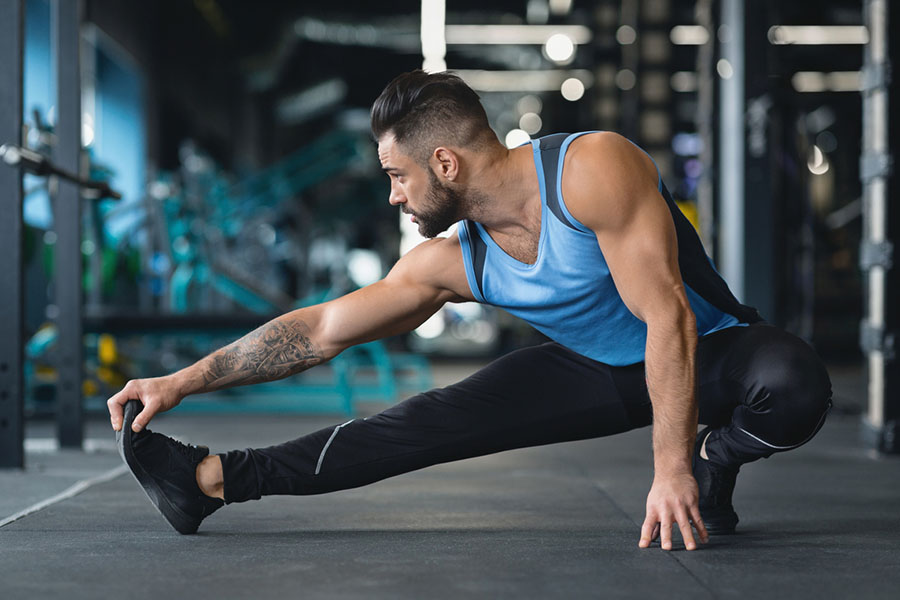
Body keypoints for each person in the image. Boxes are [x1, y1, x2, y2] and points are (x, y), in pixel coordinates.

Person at [108, 70, 832, 550]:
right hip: (593, 368)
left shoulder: (590, 170)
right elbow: (321, 331)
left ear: (445, 165)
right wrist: (182, 383)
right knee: (418, 425)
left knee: (793, 382)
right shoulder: (453, 262)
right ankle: (208, 481)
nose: (393, 195)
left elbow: (668, 316)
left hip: (710, 351)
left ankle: (717, 457)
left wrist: (674, 467)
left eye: (398, 176)